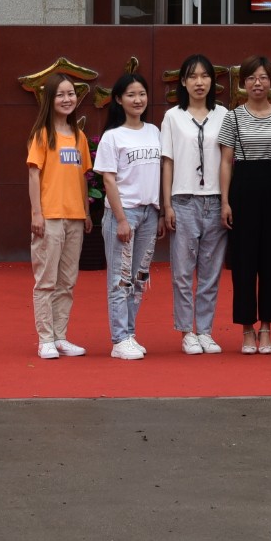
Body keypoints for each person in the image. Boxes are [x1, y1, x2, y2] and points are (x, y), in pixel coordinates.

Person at [220, 55, 271, 354]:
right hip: (243, 193)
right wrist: (225, 201)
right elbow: (226, 162)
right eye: (251, 78)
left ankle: (266, 329)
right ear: (243, 83)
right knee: (244, 263)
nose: (257, 83)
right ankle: (247, 329)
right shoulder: (233, 117)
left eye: (263, 77)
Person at [161, 53, 230, 356]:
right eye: (193, 76)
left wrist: (226, 200)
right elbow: (167, 162)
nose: (199, 82)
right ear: (183, 82)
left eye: (204, 76)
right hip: (184, 201)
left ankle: (205, 330)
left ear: (212, 81)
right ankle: (186, 332)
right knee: (182, 272)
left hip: (215, 201)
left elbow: (228, 160)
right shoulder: (173, 117)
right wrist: (167, 205)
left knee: (210, 271)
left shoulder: (224, 115)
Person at [94, 71, 164, 361]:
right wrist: (121, 219)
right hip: (123, 214)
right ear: (119, 100)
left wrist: (160, 213)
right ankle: (119, 339)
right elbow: (109, 180)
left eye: (142, 94)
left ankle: (130, 334)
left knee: (138, 278)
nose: (138, 100)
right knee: (119, 279)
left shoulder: (154, 131)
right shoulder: (112, 137)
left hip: (149, 213)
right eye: (131, 95)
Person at [25, 73, 93, 360]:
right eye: (60, 94)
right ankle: (45, 340)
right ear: (50, 100)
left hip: (74, 217)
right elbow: (33, 174)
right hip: (50, 217)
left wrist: (86, 212)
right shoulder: (42, 135)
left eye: (71, 94)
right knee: (46, 281)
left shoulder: (79, 137)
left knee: (67, 282)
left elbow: (83, 177)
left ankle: (60, 337)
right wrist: (36, 213)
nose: (67, 99)